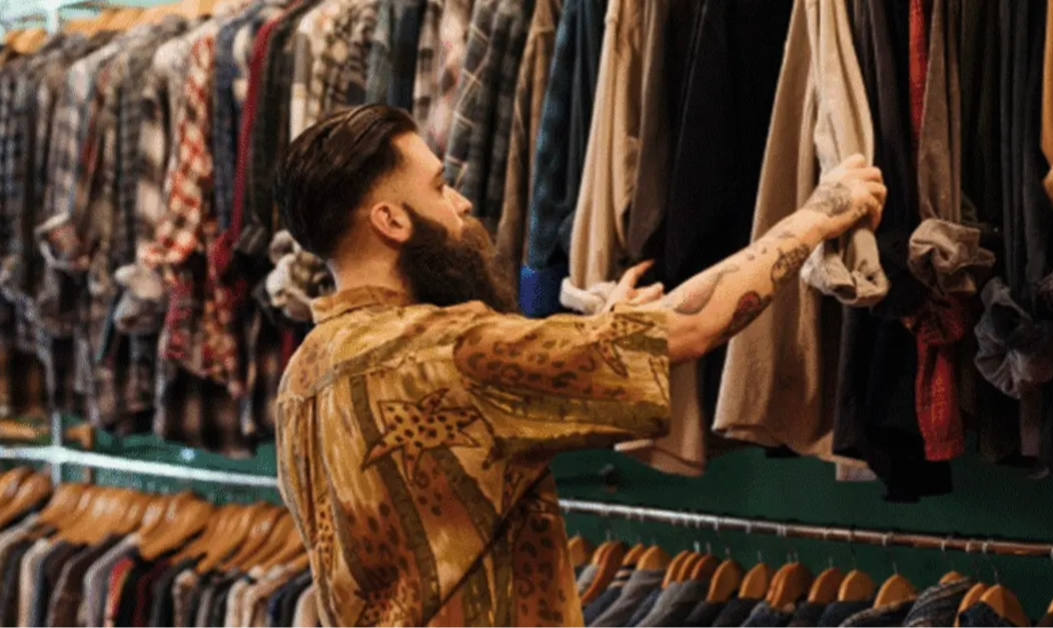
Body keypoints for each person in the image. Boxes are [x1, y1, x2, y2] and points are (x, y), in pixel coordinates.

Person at [272, 104, 886, 627]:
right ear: (390, 220)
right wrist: (818, 214)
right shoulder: (447, 354)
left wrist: (601, 333)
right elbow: (691, 328)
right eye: (438, 188)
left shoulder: (302, 376)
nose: (460, 202)